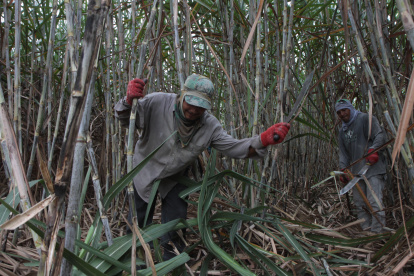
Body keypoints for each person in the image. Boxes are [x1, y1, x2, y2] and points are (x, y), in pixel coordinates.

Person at [115, 74, 290, 260]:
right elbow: (127, 119)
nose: (193, 110)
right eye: (190, 102)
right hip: (145, 169)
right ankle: (133, 264)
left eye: (201, 106)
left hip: (176, 175)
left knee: (176, 224)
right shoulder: (156, 102)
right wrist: (128, 100)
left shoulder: (209, 125)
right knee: (137, 221)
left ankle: (173, 264)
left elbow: (235, 148)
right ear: (182, 95)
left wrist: (263, 140)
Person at [335, 99, 387, 233]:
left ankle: (377, 233)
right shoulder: (342, 132)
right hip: (356, 174)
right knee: (359, 203)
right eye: (339, 112)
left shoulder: (365, 119)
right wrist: (343, 170)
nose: (342, 114)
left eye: (344, 110)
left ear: (350, 108)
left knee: (374, 201)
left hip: (373, 169)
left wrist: (374, 150)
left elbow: (380, 134)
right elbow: (344, 153)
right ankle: (366, 231)